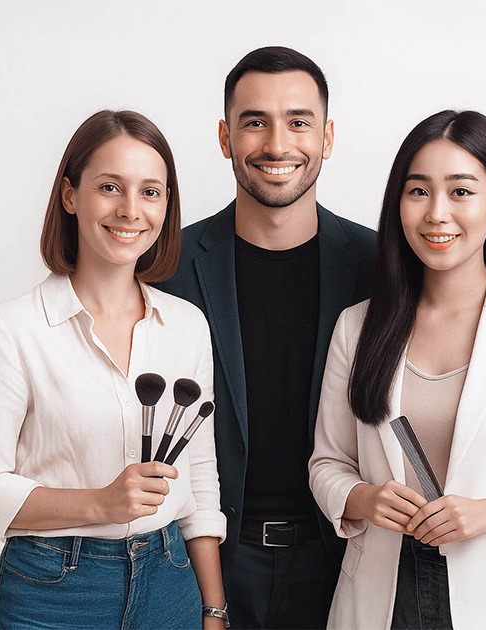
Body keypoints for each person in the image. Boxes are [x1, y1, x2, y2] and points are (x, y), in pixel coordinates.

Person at [308, 110, 486, 629]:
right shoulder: (357, 327)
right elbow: (327, 465)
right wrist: (365, 498)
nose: (437, 213)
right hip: (380, 592)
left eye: (461, 191)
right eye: (418, 191)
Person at [0, 109, 228, 629]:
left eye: (151, 192)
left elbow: (200, 478)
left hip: (170, 582)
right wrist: (101, 504)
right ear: (70, 195)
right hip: (51, 591)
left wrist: (213, 609)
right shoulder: (11, 331)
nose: (131, 210)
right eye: (109, 187)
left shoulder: (187, 326)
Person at [155, 47, 376, 628]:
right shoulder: (167, 265)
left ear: (327, 136)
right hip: (206, 562)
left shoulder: (381, 266)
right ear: (226, 138)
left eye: (298, 121)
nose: (277, 145)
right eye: (255, 122)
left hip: (349, 559)